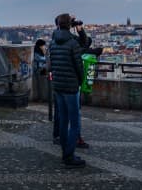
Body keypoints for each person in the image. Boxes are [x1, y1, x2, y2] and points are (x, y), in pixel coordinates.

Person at [49, 13, 86, 168]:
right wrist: (80, 81)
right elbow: (79, 66)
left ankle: (66, 152)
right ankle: (69, 155)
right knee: (75, 123)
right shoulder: (72, 43)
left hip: (58, 86)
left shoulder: (52, 42)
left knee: (63, 121)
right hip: (71, 87)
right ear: (70, 25)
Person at [33, 39, 49, 103]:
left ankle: (43, 98)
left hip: (43, 69)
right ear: (40, 46)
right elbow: (42, 59)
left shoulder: (41, 51)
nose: (44, 47)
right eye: (43, 45)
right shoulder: (36, 52)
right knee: (41, 85)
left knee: (43, 84)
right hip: (39, 69)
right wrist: (45, 54)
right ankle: (41, 98)